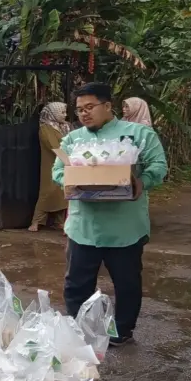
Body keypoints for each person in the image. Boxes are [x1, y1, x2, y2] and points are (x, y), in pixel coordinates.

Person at [55, 82, 168, 346]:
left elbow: (158, 165)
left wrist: (143, 182)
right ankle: (78, 330)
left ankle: (122, 331)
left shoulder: (137, 135)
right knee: (76, 284)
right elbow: (58, 171)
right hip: (85, 226)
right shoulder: (73, 139)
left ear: (108, 106)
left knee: (127, 284)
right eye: (79, 109)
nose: (84, 113)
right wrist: (70, 180)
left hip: (125, 228)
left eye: (90, 107)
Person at [30, 102, 72, 232]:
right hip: (52, 163)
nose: (65, 115)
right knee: (48, 191)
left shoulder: (65, 126)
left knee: (62, 191)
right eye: (62, 112)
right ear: (53, 114)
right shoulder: (45, 128)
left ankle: (59, 222)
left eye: (65, 112)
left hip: (66, 162)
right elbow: (53, 146)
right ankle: (37, 221)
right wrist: (67, 161)